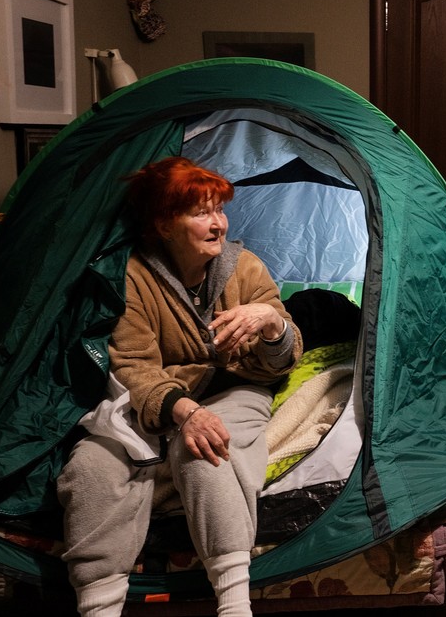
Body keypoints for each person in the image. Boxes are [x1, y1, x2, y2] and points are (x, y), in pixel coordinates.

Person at [57, 157, 302, 617]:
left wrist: (272, 322)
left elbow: (283, 360)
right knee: (89, 467)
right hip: (160, 400)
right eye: (201, 213)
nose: (218, 223)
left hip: (235, 389)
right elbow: (133, 365)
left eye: (220, 209)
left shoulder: (245, 268)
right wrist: (185, 410)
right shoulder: (132, 276)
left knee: (204, 453)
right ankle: (98, 607)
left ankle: (235, 605)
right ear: (164, 225)